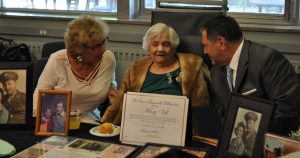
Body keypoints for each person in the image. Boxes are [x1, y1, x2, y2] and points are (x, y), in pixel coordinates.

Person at [101, 23, 211, 135]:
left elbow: (201, 104)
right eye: (155, 44)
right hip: (141, 128)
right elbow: (122, 100)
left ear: (173, 47)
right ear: (148, 47)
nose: (160, 49)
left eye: (166, 44)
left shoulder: (191, 69)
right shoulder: (136, 68)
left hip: (176, 130)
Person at [201, 15, 300, 136]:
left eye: (206, 45)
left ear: (221, 42)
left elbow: (287, 108)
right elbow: (220, 110)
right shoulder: (216, 71)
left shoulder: (268, 60)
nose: (204, 51)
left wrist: (253, 138)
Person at [33, 15, 116, 119]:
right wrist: (41, 123)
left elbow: (110, 84)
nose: (104, 48)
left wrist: (113, 89)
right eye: (97, 46)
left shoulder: (107, 59)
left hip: (90, 121)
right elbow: (38, 97)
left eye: (104, 41)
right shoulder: (57, 60)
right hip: (58, 121)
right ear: (79, 49)